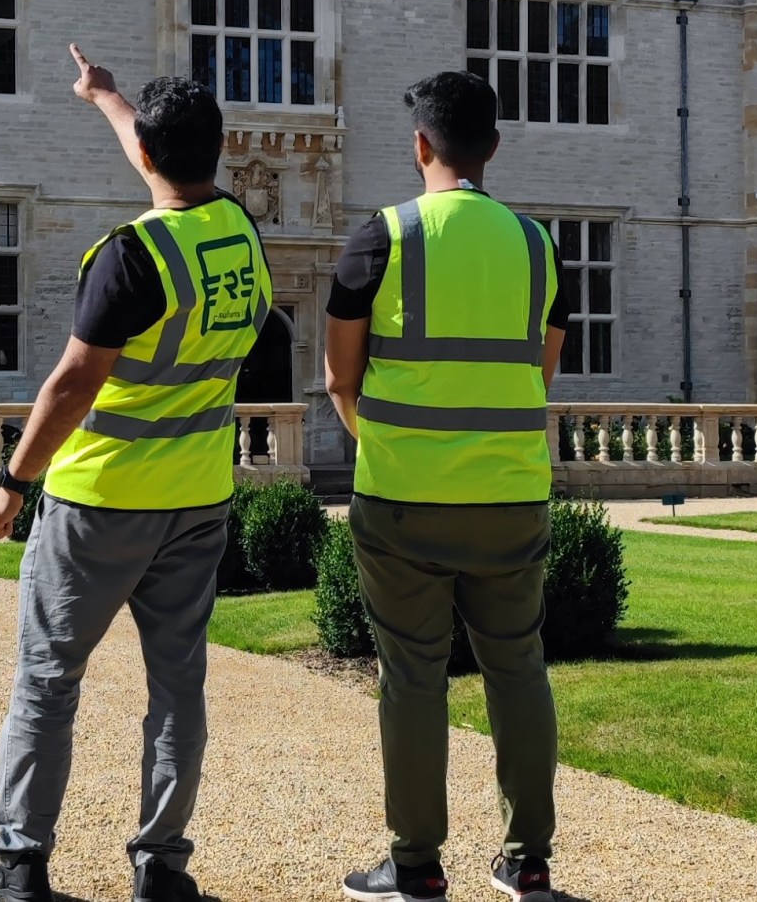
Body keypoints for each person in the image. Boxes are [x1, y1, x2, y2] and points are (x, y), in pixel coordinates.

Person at [0, 45, 272, 902]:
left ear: (146, 153)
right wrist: (105, 97)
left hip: (100, 502)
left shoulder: (130, 255)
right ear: (219, 150)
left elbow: (72, 386)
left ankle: (21, 864)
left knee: (48, 681)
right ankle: (161, 865)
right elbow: (159, 158)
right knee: (178, 687)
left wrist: (13, 482)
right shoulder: (242, 233)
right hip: (197, 499)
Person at [324, 71, 569, 902]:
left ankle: (417, 864)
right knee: (519, 669)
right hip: (511, 495)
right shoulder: (539, 246)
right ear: (493, 147)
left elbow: (340, 379)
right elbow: (539, 372)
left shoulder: (381, 238)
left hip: (404, 499)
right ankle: (527, 861)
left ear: (419, 144)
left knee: (413, 678)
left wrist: (391, 447)